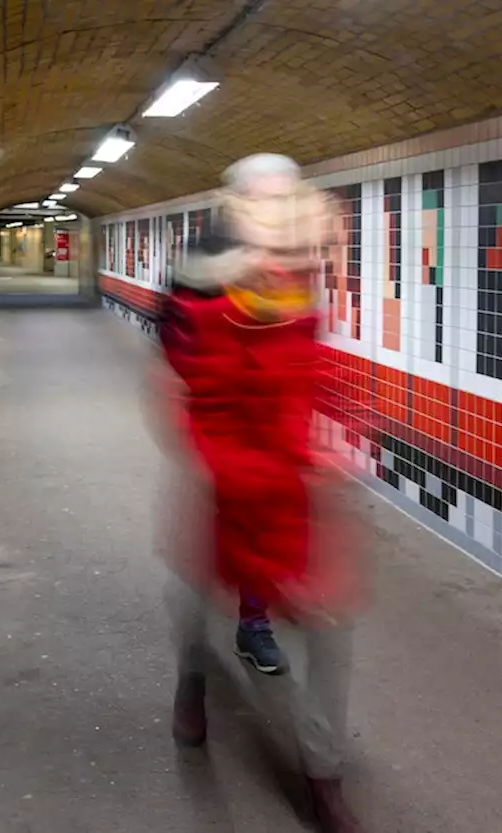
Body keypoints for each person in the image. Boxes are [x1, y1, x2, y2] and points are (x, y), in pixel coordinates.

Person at [154, 153, 364, 833]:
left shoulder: (297, 285)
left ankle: (323, 773)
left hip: (284, 482)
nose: (283, 212)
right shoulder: (202, 289)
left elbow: (305, 377)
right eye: (265, 201)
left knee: (334, 628)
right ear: (237, 209)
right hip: (226, 476)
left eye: (289, 198)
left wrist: (322, 438)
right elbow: (200, 405)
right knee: (196, 589)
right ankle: (192, 682)